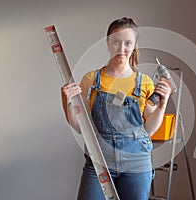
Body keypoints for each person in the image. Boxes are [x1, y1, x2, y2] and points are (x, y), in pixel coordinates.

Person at [61, 17, 171, 200]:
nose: (121, 49)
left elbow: (148, 130)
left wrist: (163, 104)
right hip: (99, 163)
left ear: (135, 45)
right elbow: (81, 127)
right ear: (108, 43)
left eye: (128, 43)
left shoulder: (144, 82)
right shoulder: (92, 79)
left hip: (137, 162)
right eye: (116, 42)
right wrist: (66, 101)